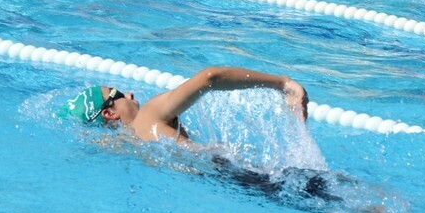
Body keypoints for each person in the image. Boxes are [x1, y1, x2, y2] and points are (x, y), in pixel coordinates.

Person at [58, 66, 309, 143]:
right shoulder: (147, 116)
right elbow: (210, 78)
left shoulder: (125, 144)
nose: (130, 93)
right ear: (109, 113)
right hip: (248, 178)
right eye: (119, 94)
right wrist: (283, 83)